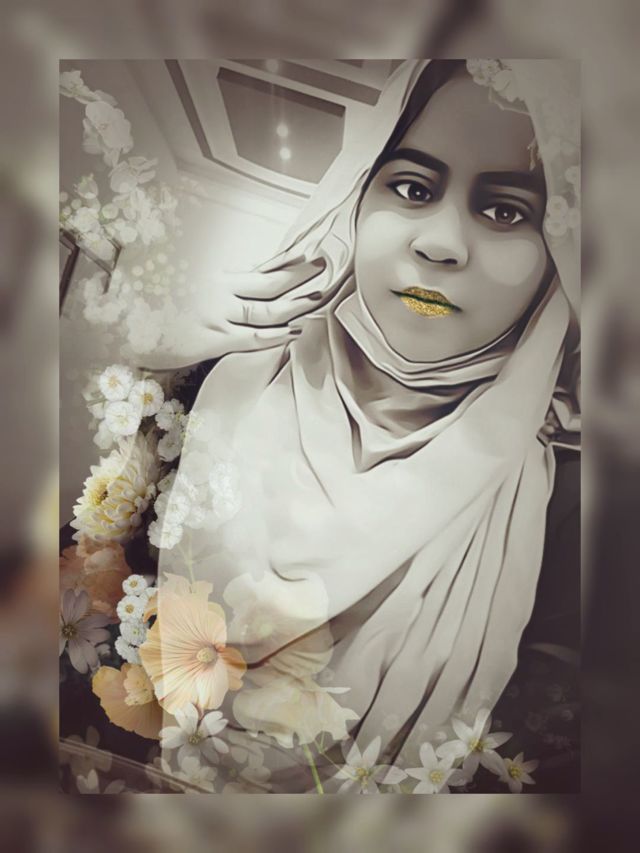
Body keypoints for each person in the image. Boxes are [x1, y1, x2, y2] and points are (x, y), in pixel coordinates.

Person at [144, 59, 580, 793]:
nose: (441, 243)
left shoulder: (575, 508)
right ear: (356, 198)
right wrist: (139, 354)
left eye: (507, 211)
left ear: (557, 263)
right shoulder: (205, 387)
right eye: (412, 188)